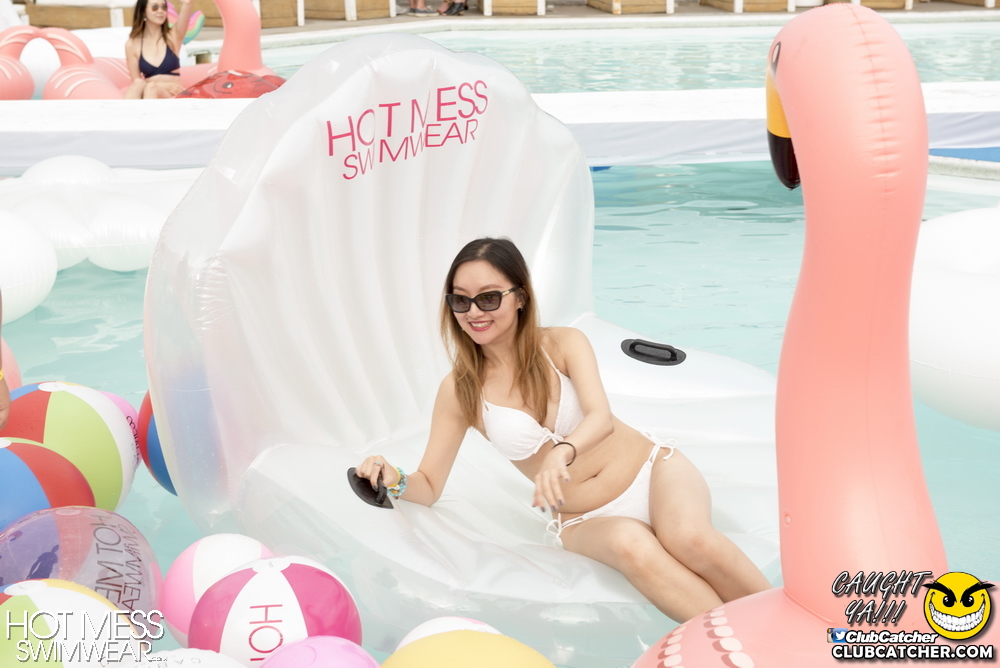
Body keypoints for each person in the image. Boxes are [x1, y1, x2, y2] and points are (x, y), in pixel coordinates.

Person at [356, 237, 771, 622]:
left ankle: (783, 623)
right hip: (584, 517)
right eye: (460, 300)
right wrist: (394, 478)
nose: (474, 312)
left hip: (651, 471)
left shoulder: (562, 344)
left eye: (488, 297)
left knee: (689, 538)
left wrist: (562, 452)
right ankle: (741, 649)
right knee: (632, 547)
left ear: (520, 297)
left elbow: (600, 418)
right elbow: (429, 485)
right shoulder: (460, 390)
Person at [124, 0, 190, 99]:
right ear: (143, 11)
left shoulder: (173, 36)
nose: (160, 11)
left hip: (173, 94)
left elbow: (187, 4)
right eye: (154, 8)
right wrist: (161, 85)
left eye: (163, 7)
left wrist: (186, 3)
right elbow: (136, 81)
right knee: (139, 84)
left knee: (152, 88)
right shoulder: (132, 44)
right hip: (150, 92)